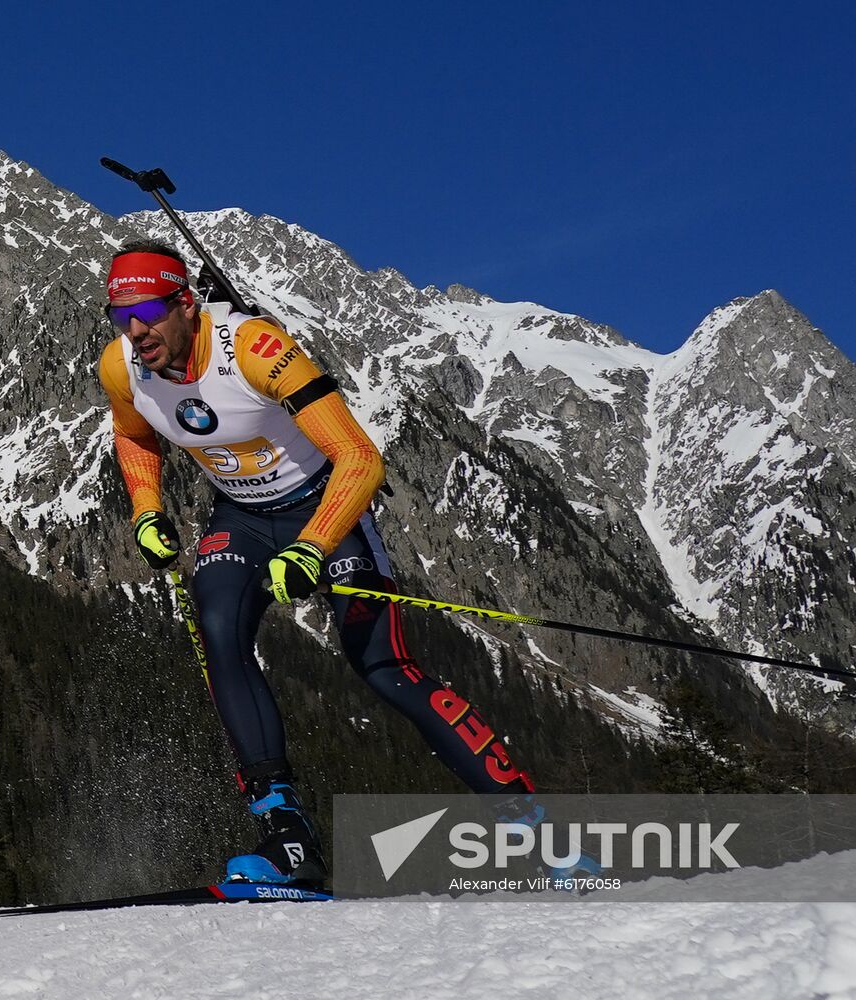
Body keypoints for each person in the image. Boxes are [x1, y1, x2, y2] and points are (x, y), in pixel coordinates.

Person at [97, 240, 535, 885]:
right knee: (219, 632)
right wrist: (145, 509)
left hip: (324, 507)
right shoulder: (123, 366)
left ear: (186, 303)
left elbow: (360, 458)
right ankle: (287, 840)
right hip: (240, 516)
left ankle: (527, 821)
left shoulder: (256, 350)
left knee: (382, 667)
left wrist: (313, 546)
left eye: (150, 312)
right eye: (120, 316)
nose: (136, 330)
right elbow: (134, 435)